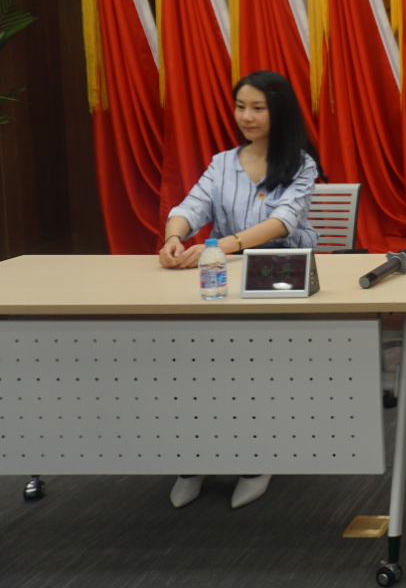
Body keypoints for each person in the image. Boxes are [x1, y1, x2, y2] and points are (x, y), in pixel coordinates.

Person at [157, 70, 320, 509]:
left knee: (252, 364)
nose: (246, 116)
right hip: (224, 275)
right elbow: (192, 205)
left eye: (257, 108)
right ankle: (194, 459)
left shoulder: (301, 164)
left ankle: (256, 459)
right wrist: (174, 236)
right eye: (241, 107)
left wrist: (221, 246)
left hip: (279, 273)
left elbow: (283, 222)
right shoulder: (223, 162)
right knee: (198, 362)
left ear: (278, 112)